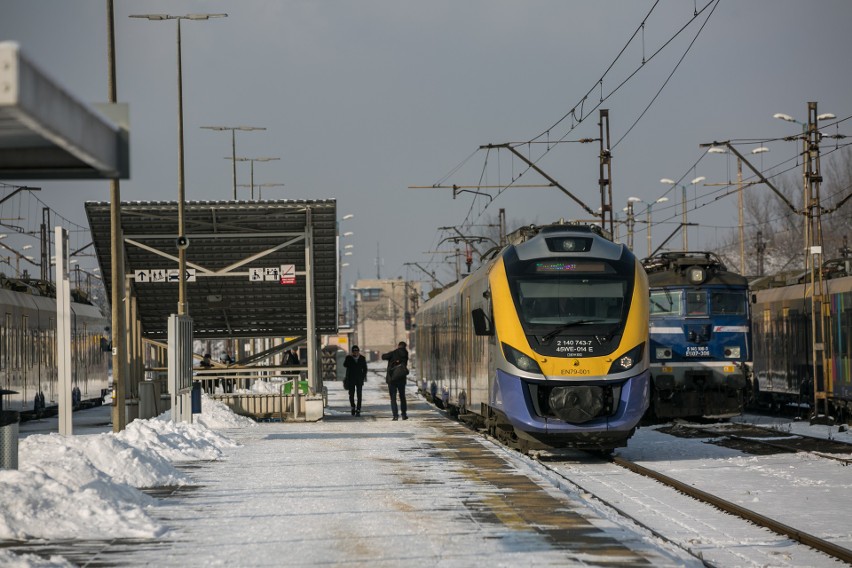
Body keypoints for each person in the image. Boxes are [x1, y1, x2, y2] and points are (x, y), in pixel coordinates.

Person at [382, 341, 409, 420]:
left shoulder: (394, 353)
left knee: (393, 398)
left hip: (392, 378)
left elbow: (383, 357)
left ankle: (395, 415)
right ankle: (404, 414)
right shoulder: (406, 354)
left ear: (398, 346)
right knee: (402, 397)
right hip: (401, 378)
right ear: (405, 347)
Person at [343, 345, 368, 416]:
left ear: (358, 351)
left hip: (359, 379)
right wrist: (350, 359)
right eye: (354, 351)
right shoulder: (349, 358)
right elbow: (345, 365)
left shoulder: (362, 358)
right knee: (351, 395)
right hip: (351, 379)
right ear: (352, 352)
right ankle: (353, 407)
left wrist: (363, 377)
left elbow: (365, 368)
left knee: (359, 395)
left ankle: (358, 409)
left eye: (357, 351)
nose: (355, 352)